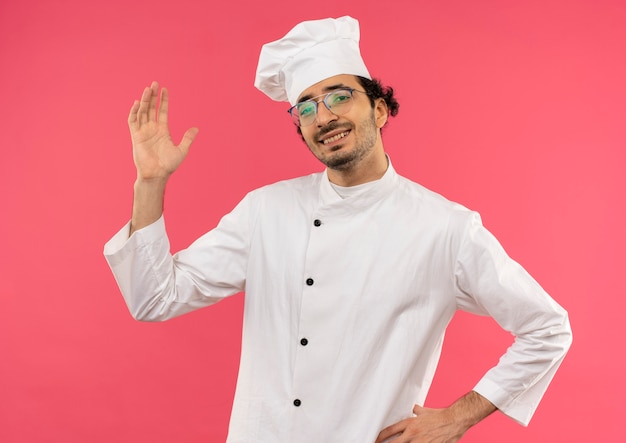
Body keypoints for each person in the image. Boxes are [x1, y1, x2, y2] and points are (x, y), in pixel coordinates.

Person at [104, 16, 572, 443]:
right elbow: (153, 297)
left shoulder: (444, 229)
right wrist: (151, 181)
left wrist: (457, 416)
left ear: (381, 109)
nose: (323, 117)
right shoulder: (266, 211)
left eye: (339, 97)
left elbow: (547, 328)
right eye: (305, 108)